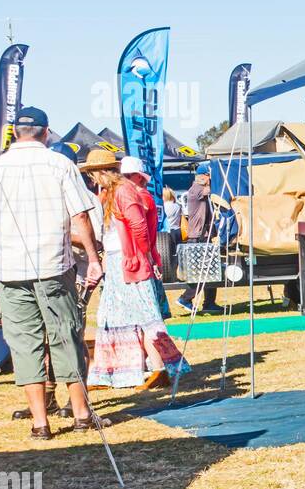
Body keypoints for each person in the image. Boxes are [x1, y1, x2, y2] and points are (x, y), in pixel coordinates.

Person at [0, 106, 106, 439]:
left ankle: (40, 422)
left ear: (14, 133)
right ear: (45, 132)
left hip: (11, 271)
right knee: (66, 335)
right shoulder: (60, 165)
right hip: (53, 265)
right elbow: (80, 217)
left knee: (24, 344)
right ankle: (82, 415)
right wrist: (93, 257)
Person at [81, 152, 188, 389]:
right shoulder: (113, 193)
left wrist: (143, 255)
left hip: (130, 263)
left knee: (146, 316)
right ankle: (110, 372)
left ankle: (161, 368)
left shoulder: (124, 191)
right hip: (120, 261)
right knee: (113, 318)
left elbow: (139, 226)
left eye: (92, 174)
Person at [177, 162, 221, 315]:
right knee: (202, 274)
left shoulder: (198, 189)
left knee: (211, 271)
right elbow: (213, 189)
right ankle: (185, 298)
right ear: (203, 176)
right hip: (198, 238)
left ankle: (209, 303)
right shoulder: (196, 189)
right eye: (209, 176)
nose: (210, 179)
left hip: (203, 237)